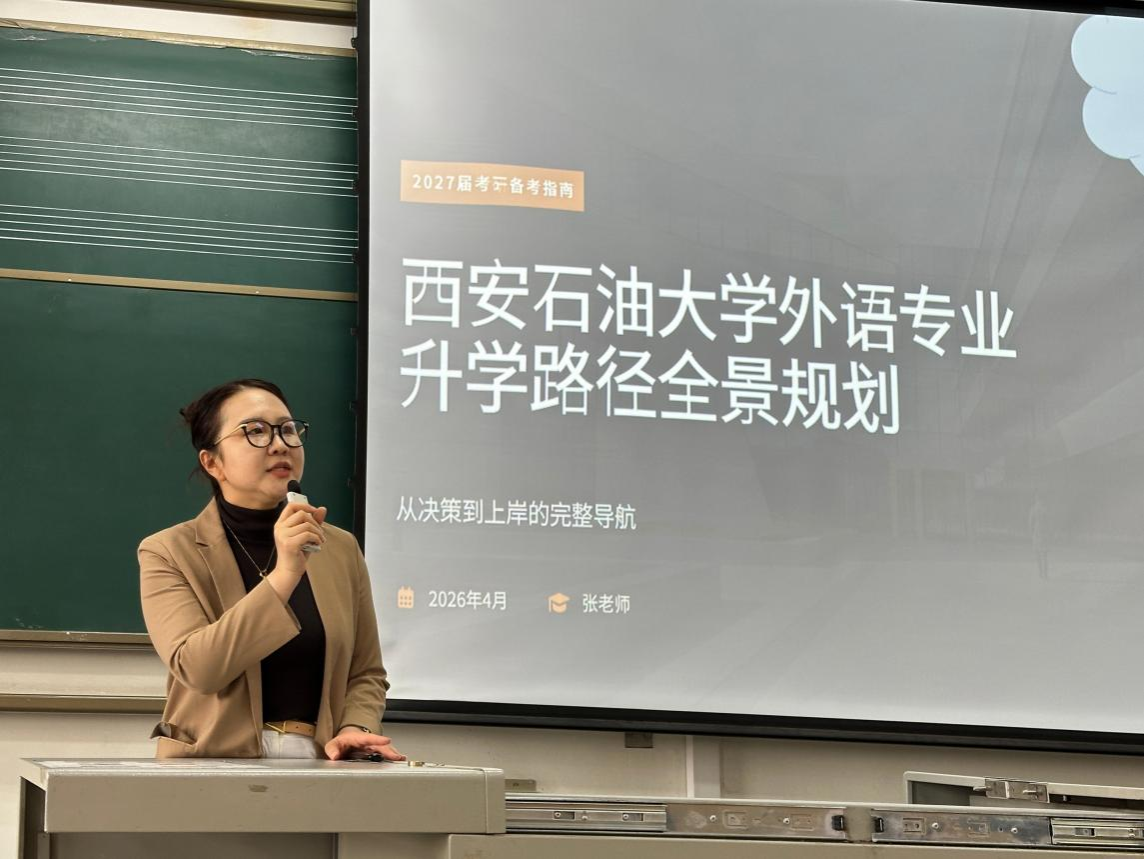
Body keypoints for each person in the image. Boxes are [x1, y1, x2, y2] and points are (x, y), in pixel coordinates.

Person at [138, 379, 404, 761]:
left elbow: (366, 673)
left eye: (288, 429)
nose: (280, 444)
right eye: (256, 431)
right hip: (210, 764)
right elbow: (199, 669)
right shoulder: (168, 551)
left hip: (321, 762)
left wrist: (355, 728)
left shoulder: (340, 548)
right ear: (212, 462)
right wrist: (284, 575)